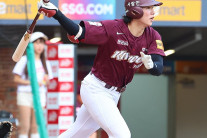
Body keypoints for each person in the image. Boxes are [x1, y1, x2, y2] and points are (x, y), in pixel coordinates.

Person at [38, 0, 165, 137]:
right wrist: (57, 13)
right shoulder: (113, 27)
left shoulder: (153, 35)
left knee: (77, 133)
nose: (153, 12)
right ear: (135, 10)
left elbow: (158, 69)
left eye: (154, 8)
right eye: (148, 8)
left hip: (114, 94)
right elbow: (79, 32)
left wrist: (152, 65)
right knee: (122, 135)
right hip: (96, 88)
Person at [12, 32, 53, 138]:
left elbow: (47, 81)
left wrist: (45, 81)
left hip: (40, 95)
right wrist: (33, 83)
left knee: (36, 126)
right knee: (25, 126)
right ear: (30, 44)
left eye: (42, 43)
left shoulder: (45, 62)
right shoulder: (24, 60)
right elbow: (16, 78)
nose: (40, 46)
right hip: (25, 94)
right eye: (37, 43)